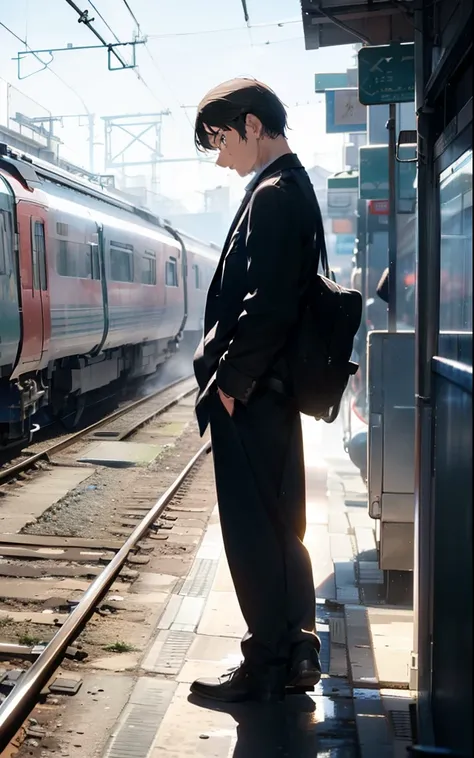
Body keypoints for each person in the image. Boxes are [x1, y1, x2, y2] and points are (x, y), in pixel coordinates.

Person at [191, 78, 322, 704]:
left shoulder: (272, 194)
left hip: (254, 394)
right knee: (281, 527)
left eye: (220, 141)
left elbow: (266, 304)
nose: (220, 157)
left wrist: (232, 385)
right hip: (273, 391)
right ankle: (297, 650)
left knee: (252, 533)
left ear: (249, 125)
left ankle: (265, 661)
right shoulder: (292, 187)